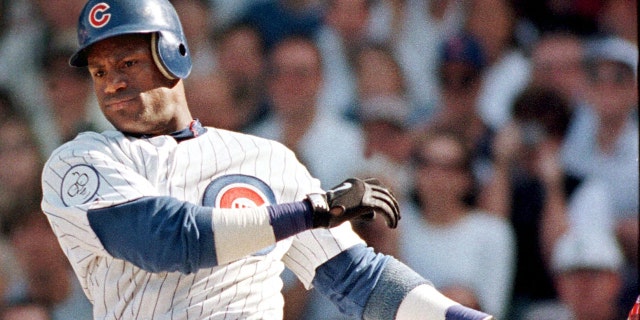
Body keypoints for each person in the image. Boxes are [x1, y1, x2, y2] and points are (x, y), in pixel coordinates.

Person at [40, 1, 495, 319]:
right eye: (99, 72)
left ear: (173, 55)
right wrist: (313, 211)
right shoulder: (80, 162)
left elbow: (360, 281)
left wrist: (462, 318)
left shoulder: (266, 157)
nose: (112, 83)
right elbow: (169, 239)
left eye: (127, 63)